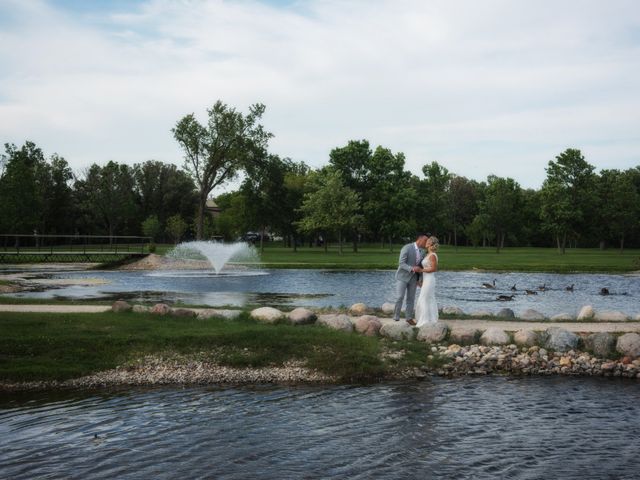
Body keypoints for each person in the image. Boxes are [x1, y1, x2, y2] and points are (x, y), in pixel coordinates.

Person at [393, 232, 430, 325]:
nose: (426, 243)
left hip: (414, 278)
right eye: (425, 240)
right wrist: (412, 268)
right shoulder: (407, 247)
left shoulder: (423, 251)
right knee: (399, 297)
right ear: (420, 238)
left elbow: (421, 266)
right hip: (402, 277)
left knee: (411, 298)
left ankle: (409, 318)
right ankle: (396, 316)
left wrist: (420, 279)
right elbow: (401, 263)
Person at [415, 236, 439, 327]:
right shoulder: (427, 254)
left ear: (430, 244)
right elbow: (426, 267)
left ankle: (425, 321)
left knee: (425, 299)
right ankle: (429, 319)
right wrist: (420, 280)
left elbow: (434, 269)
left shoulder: (432, 255)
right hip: (426, 279)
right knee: (427, 298)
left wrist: (421, 270)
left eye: (427, 241)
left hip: (430, 279)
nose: (426, 242)